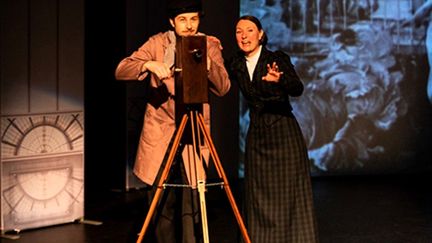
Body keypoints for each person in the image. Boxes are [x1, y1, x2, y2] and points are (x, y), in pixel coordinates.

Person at [114, 0, 231, 242]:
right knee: (160, 199)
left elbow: (224, 87)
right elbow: (121, 69)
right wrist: (148, 64)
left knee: (192, 199)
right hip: (161, 131)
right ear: (172, 22)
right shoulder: (158, 43)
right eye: (183, 20)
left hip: (193, 132)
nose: (189, 26)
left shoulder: (208, 44)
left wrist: (209, 66)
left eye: (194, 19)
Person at [227, 15, 319, 242]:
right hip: (257, 136)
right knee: (257, 195)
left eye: (249, 30)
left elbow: (297, 88)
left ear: (260, 34)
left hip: (283, 133)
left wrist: (280, 80)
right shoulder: (237, 64)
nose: (244, 36)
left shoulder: (276, 59)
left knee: (288, 195)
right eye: (239, 31)